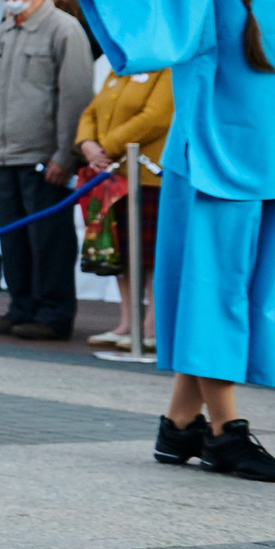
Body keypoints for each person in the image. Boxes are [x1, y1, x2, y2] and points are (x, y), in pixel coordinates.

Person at [0, 0, 275, 481]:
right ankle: (228, 432)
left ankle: (179, 426)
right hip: (217, 150)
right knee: (216, 288)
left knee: (246, 287)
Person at [0, 0, 95, 341]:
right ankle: (22, 306)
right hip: (5, 154)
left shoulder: (64, 29)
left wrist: (66, 154)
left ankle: (53, 313)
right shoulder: (1, 34)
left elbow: (75, 96)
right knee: (13, 238)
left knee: (49, 239)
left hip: (43, 157)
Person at [76, 65, 173, 348]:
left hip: (149, 178)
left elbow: (157, 116)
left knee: (150, 257)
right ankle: (127, 324)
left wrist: (106, 146)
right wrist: (87, 144)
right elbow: (91, 112)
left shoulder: (166, 69)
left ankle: (152, 327)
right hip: (115, 177)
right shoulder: (122, 68)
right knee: (123, 255)